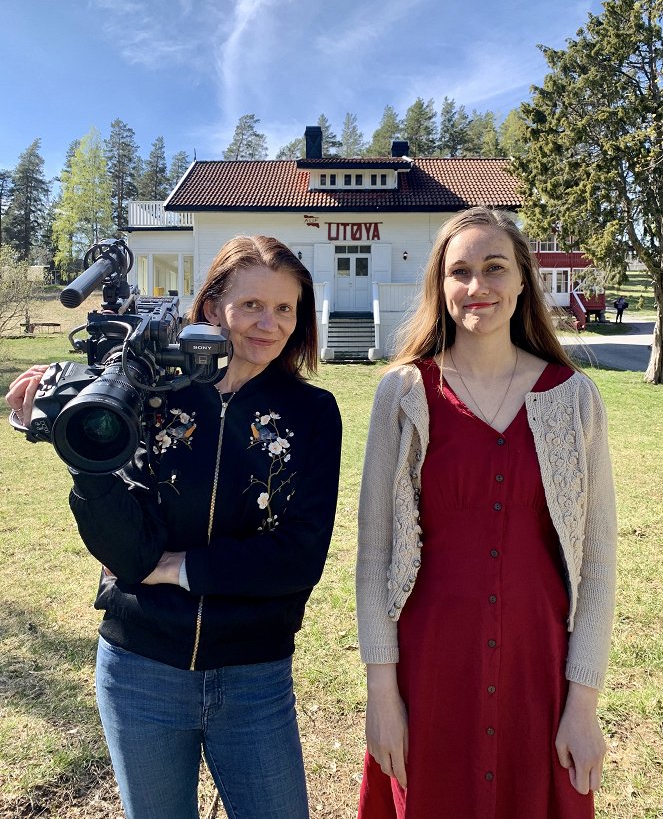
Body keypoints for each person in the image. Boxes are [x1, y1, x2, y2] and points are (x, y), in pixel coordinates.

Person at [6, 235, 342, 819]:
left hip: (254, 676)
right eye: (252, 305)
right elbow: (128, 554)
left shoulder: (313, 414)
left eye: (286, 308)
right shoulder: (148, 396)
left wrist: (181, 568)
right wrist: (84, 447)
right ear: (213, 307)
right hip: (141, 674)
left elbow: (299, 557)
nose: (270, 324)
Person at [355, 207, 617, 819]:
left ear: (524, 279)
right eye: (460, 272)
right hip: (429, 667)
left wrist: (583, 704)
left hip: (539, 671)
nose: (478, 287)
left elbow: (599, 562)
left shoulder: (573, 397)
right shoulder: (403, 394)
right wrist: (382, 695)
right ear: (440, 288)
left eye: (494, 268)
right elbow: (374, 555)